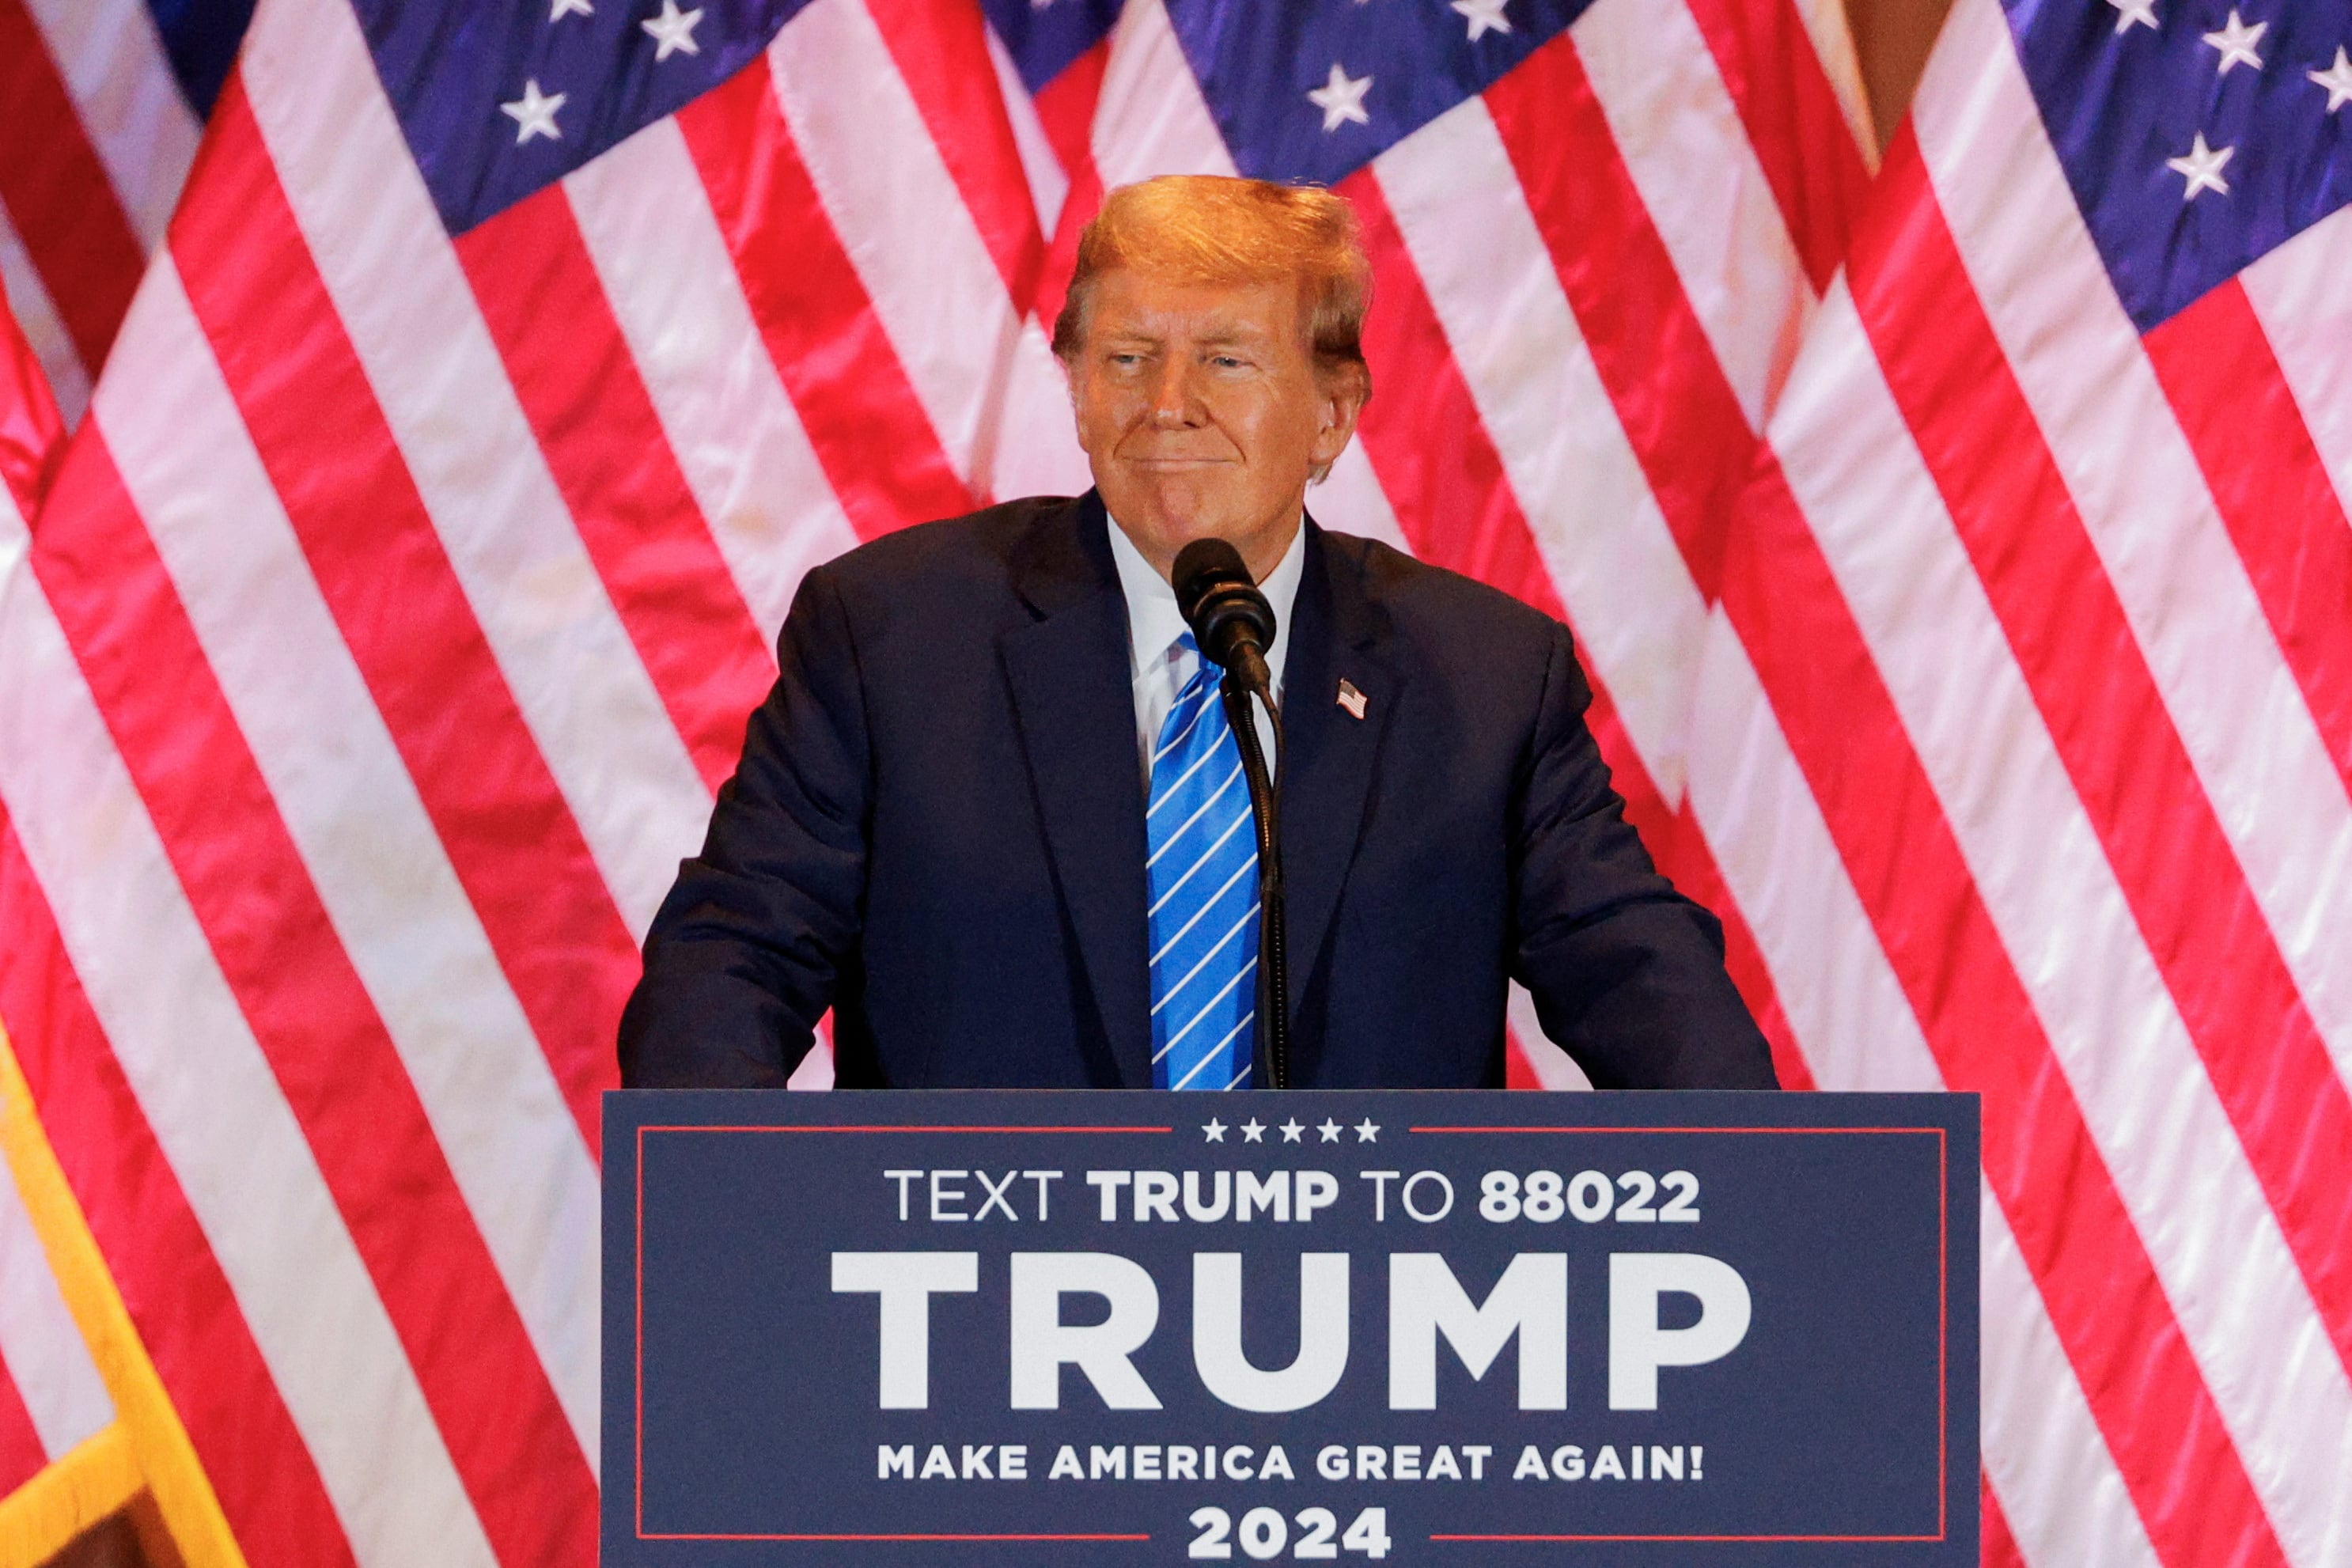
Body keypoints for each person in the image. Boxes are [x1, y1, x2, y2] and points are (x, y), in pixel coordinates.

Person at [618, 175, 1775, 1093]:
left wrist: (1774, 1201)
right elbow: (735, 953)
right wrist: (723, 1215)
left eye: (1224, 358)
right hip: (972, 1328)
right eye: (1125, 358)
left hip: (1365, 1338)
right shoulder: (889, 635)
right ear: (1075, 391)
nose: (1166, 402)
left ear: (1331, 413)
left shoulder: (1482, 676)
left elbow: (1634, 972)